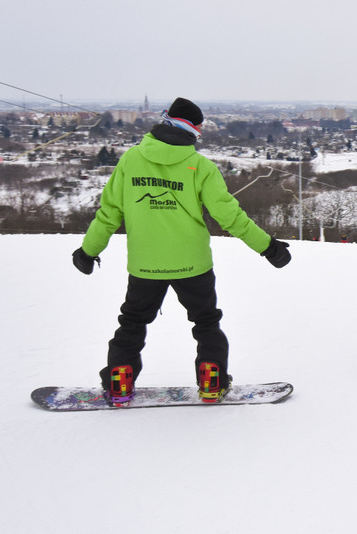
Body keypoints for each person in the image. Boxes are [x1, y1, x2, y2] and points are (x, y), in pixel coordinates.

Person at [72, 97, 291, 404]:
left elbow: (109, 213)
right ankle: (212, 381)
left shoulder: (131, 160)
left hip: (145, 265)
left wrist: (88, 250)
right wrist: (268, 247)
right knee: (206, 323)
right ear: (194, 129)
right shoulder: (200, 167)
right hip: (193, 264)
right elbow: (230, 216)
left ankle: (119, 381)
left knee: (132, 323)